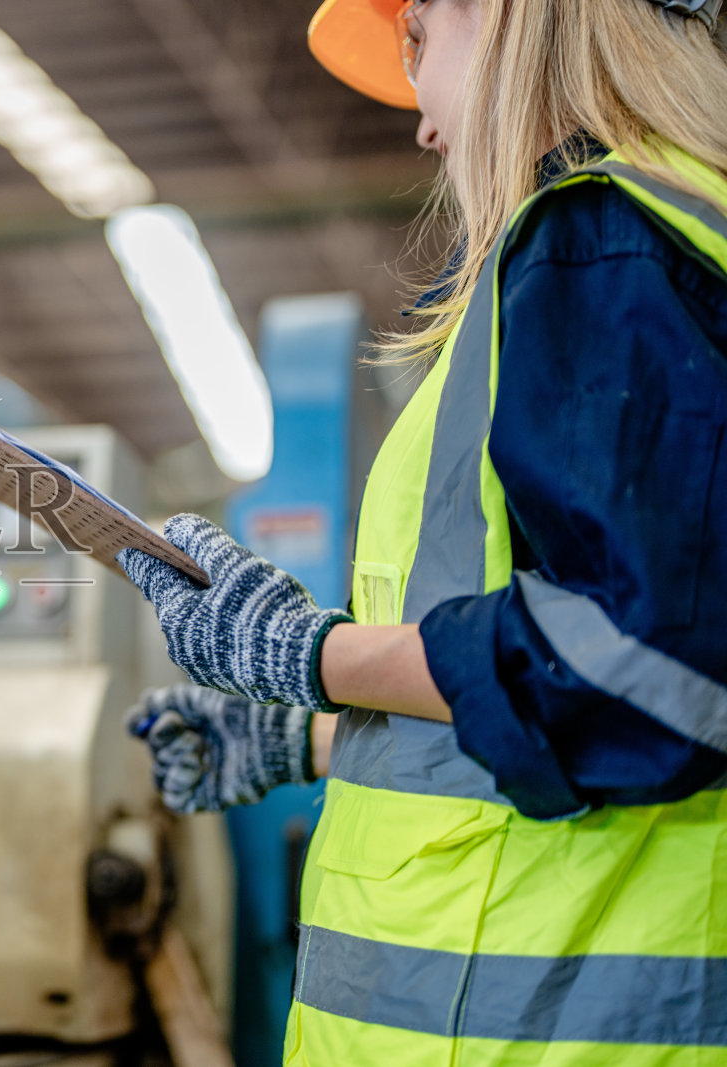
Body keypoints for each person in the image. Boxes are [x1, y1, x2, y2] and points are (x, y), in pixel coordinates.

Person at [119, 0, 727, 1062]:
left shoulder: (603, 239)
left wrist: (310, 653)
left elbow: (647, 663)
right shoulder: (676, 231)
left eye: (417, 44)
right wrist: (317, 734)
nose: (422, 125)